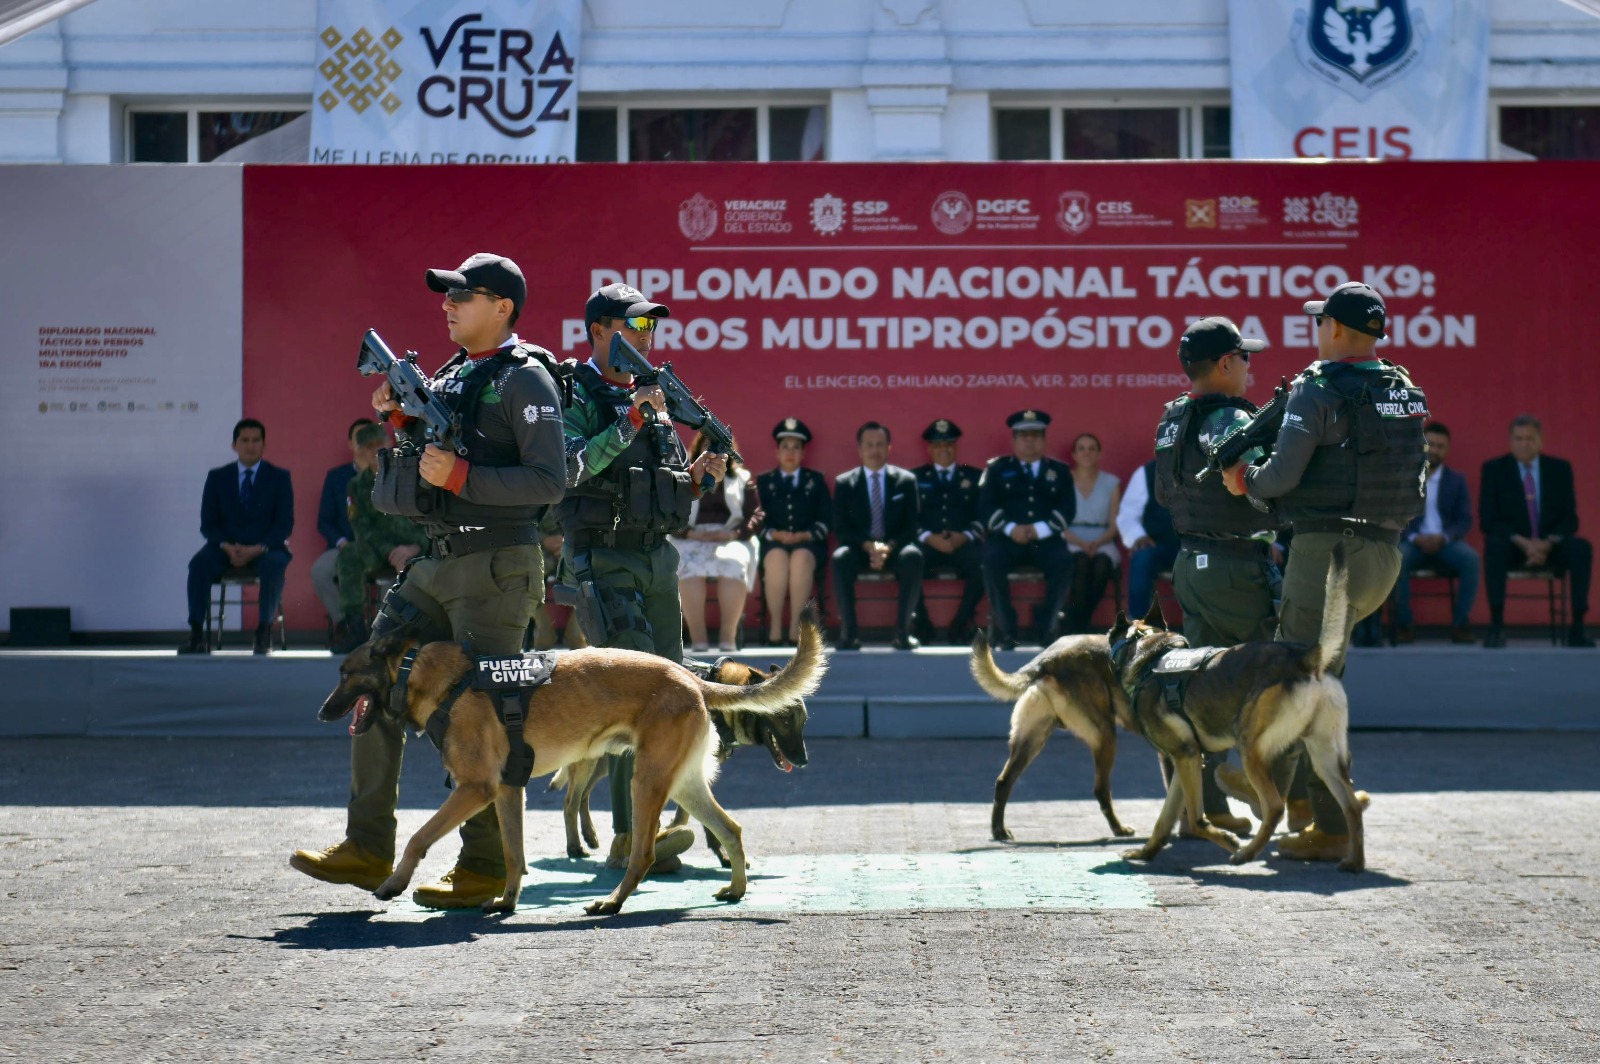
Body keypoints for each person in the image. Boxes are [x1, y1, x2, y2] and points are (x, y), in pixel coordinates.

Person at [291, 252, 566, 910]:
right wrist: (399, 419)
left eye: (463, 296)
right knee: (370, 678)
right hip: (437, 561)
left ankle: (484, 867)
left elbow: (550, 480)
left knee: (483, 716)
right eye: (446, 296)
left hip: (496, 566)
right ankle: (366, 846)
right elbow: (430, 458)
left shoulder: (526, 380)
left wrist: (465, 478)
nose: (447, 305)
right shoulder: (449, 374)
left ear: (502, 307)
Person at [1225, 282, 1427, 860]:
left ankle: (1293, 801)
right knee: (1322, 680)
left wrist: (1245, 478)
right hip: (1384, 557)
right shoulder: (1402, 386)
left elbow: (1279, 478)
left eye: (1320, 322)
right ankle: (1314, 812)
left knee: (1295, 674)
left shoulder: (1316, 391)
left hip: (1327, 553)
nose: (1316, 332)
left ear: (1335, 329)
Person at [558, 282, 726, 871]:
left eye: (649, 329)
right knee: (632, 701)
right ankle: (630, 839)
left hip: (657, 560)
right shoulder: (571, 389)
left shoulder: (650, 397)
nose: (643, 337)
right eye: (633, 326)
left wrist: (702, 476)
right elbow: (573, 465)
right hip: (603, 559)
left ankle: (660, 825)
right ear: (600, 329)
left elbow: (668, 486)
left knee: (673, 698)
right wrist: (632, 417)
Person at [1153, 316, 1282, 836]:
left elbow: (1167, 492)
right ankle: (1256, 786)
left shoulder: (1173, 417)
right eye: (1245, 357)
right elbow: (1261, 486)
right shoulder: (1231, 420)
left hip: (1190, 564)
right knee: (1268, 681)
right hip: (1236, 568)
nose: (1251, 367)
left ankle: (1201, 810)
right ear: (1226, 363)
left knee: (1200, 690)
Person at [180, 418, 294, 656]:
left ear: (264, 445)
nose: (250, 446)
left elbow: (284, 524)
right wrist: (228, 547)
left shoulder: (280, 477)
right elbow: (207, 524)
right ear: (234, 445)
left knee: (275, 565)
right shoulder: (217, 477)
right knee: (198, 565)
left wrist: (258, 548)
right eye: (244, 440)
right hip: (225, 548)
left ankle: (264, 631)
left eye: (256, 441)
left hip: (265, 548)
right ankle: (196, 633)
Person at [1479, 414, 1593, 648]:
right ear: (1510, 441)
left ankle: (1578, 626)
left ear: (1540, 440)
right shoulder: (1494, 469)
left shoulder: (1559, 469)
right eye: (1518, 438)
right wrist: (1524, 543)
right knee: (1494, 545)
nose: (1524, 444)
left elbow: (1570, 519)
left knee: (1581, 548)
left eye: (1530, 438)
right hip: (1514, 545)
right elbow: (1488, 520)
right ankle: (1496, 625)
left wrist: (1546, 543)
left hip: (1550, 545)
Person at [978, 409, 1075, 651]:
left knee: (1063, 561)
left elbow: (1068, 508)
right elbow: (986, 506)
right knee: (991, 560)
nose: (1029, 440)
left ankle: (1046, 627)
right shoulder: (997, 469)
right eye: (1023, 435)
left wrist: (1039, 530)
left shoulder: (1059, 471)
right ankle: (1007, 629)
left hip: (1045, 539)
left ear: (1044, 439)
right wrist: (1011, 529)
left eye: (1035, 435)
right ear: (1014, 440)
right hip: (1008, 539)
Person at [327, 422, 429, 654]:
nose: (375, 450)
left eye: (379, 444)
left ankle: (422, 632)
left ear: (389, 443)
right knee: (350, 554)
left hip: (416, 547)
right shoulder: (357, 485)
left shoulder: (410, 476)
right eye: (368, 446)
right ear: (360, 451)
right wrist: (390, 552)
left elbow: (428, 518)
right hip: (379, 551)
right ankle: (355, 629)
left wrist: (414, 547)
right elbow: (361, 529)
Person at [831, 421, 924, 650]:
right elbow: (841, 529)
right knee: (840, 558)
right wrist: (868, 546)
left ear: (889, 447)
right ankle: (849, 634)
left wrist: (888, 547)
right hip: (860, 549)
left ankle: (903, 634)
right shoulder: (845, 483)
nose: (875, 450)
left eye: (880, 445)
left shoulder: (905, 481)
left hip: (894, 548)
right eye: (869, 445)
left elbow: (912, 526)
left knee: (914, 556)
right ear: (860, 449)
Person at [672, 432, 763, 653]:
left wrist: (734, 534)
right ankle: (699, 639)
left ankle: (727, 638)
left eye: (718, 448)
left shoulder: (742, 478)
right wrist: (690, 534)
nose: (712, 453)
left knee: (734, 561)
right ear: (697, 450)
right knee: (687, 563)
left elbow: (757, 515)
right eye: (707, 447)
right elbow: (671, 514)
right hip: (692, 536)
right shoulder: (685, 476)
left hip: (729, 536)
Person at [1393, 422, 1480, 644]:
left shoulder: (1456, 480)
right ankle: (1404, 624)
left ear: (1447, 450)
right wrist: (1415, 537)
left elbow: (1465, 519)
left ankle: (1461, 624)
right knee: (1397, 559)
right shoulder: (1404, 477)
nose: (1434, 450)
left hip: (1445, 542)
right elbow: (1396, 515)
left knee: (1471, 559)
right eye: (1430, 444)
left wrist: (1444, 537)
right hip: (1413, 541)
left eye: (1440, 446)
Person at [910, 418, 986, 646]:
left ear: (955, 447)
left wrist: (965, 535)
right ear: (929, 448)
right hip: (928, 543)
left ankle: (960, 623)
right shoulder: (914, 477)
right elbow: (907, 517)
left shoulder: (974, 477)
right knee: (909, 561)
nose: (944, 449)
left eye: (948, 444)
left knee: (984, 564)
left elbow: (984, 515)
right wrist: (928, 537)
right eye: (938, 445)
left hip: (962, 542)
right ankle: (922, 624)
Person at [756, 418, 832, 646]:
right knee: (776, 558)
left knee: (800, 558)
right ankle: (776, 627)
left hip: (809, 545)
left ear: (803, 452)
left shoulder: (815, 481)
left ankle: (796, 629)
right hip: (774, 544)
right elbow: (756, 521)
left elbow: (827, 521)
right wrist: (774, 535)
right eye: (785, 447)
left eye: (796, 447)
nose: (790, 452)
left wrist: (804, 536)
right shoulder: (764, 481)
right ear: (777, 452)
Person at [310, 417, 378, 644]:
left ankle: (383, 631)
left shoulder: (390, 474)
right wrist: (342, 543)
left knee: (399, 574)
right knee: (320, 571)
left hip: (381, 549)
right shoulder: (336, 477)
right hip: (344, 547)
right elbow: (325, 521)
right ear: (350, 444)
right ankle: (346, 625)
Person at [1062, 433, 1121, 633]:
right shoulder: (1064, 480)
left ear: (1099, 453)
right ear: (1074, 454)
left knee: (1101, 564)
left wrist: (1097, 542)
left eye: (1091, 448)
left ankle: (1074, 623)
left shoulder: (1112, 483)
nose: (1086, 452)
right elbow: (1059, 523)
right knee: (1079, 562)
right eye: (1081, 448)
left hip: (1102, 537)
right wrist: (1080, 542)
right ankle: (1079, 625)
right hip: (1070, 537)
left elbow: (1114, 525)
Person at [1116, 459, 1179, 620]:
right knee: (1142, 558)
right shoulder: (1147, 472)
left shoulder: (1204, 465)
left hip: (1196, 545)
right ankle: (1138, 624)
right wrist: (1138, 536)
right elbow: (1127, 514)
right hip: (1161, 546)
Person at [529, 508, 588, 651]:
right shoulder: (529, 487)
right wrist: (543, 539)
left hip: (575, 544)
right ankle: (544, 628)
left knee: (588, 574)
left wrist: (567, 541)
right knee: (526, 576)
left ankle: (578, 632)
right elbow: (519, 520)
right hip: (537, 547)